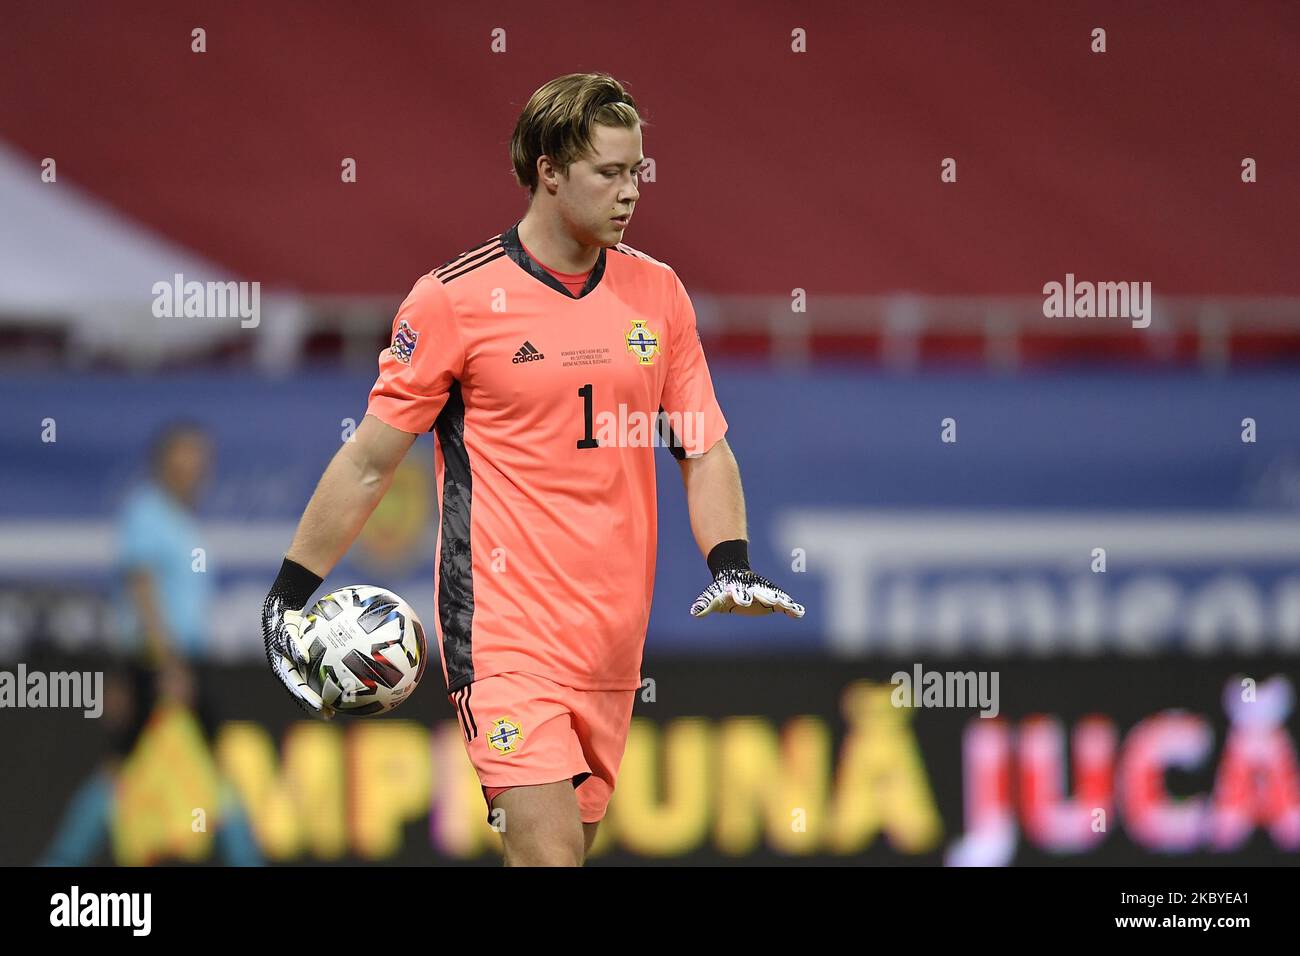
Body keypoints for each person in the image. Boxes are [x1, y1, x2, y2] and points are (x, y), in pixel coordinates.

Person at [262, 72, 803, 866]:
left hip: (614, 643)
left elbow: (702, 444)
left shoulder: (659, 294)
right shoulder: (454, 301)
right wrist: (286, 595)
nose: (631, 194)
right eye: (609, 173)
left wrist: (731, 562)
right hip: (505, 634)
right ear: (549, 169)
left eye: (637, 174)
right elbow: (371, 462)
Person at [40, 422, 262, 866]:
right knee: (134, 774)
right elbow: (140, 587)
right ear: (163, 461)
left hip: (177, 666)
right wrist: (167, 665)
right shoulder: (147, 512)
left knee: (153, 772)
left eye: (200, 456)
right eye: (184, 454)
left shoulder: (181, 522)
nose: (194, 465)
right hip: (161, 667)